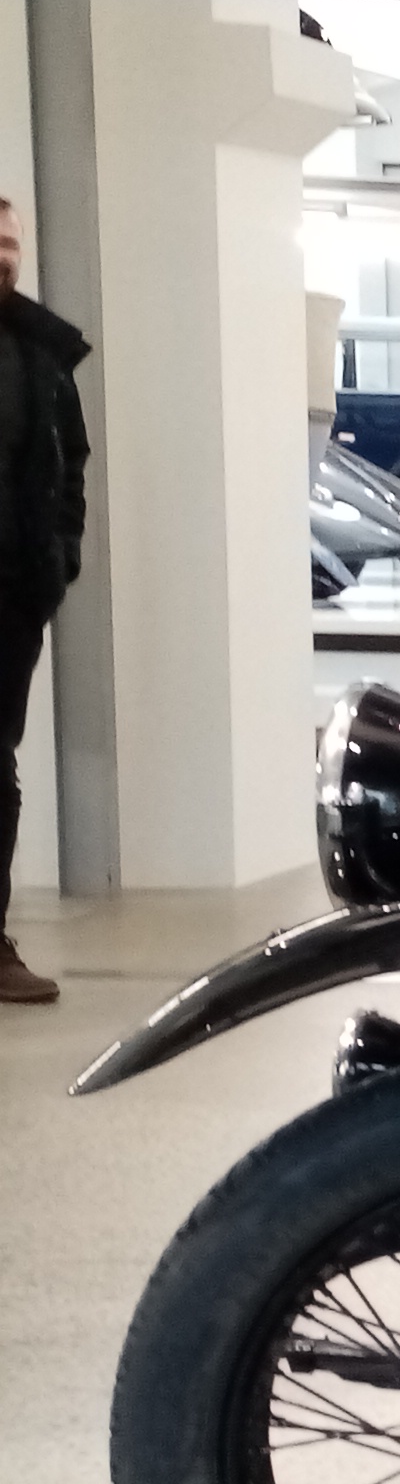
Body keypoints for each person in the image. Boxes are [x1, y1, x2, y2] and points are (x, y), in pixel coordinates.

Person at [0, 194, 89, 1007]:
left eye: (11, 244)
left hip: (9, 599)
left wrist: (58, 563)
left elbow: (71, 467)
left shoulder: (40, 352)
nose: (5, 256)